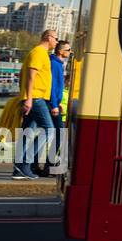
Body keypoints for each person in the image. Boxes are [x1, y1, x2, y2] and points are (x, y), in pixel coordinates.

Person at [12, 30, 58, 180]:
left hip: (35, 97)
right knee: (49, 130)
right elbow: (31, 76)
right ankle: (26, 163)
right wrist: (29, 99)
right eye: (56, 39)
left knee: (28, 133)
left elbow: (22, 75)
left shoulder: (40, 53)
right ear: (48, 38)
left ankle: (18, 169)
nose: (56, 42)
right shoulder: (39, 52)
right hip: (36, 98)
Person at [42, 40, 71, 176]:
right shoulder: (55, 64)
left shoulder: (58, 63)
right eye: (68, 49)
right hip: (51, 104)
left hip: (54, 103)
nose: (70, 52)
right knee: (60, 132)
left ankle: (45, 164)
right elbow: (52, 86)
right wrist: (54, 105)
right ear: (60, 51)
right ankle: (49, 165)